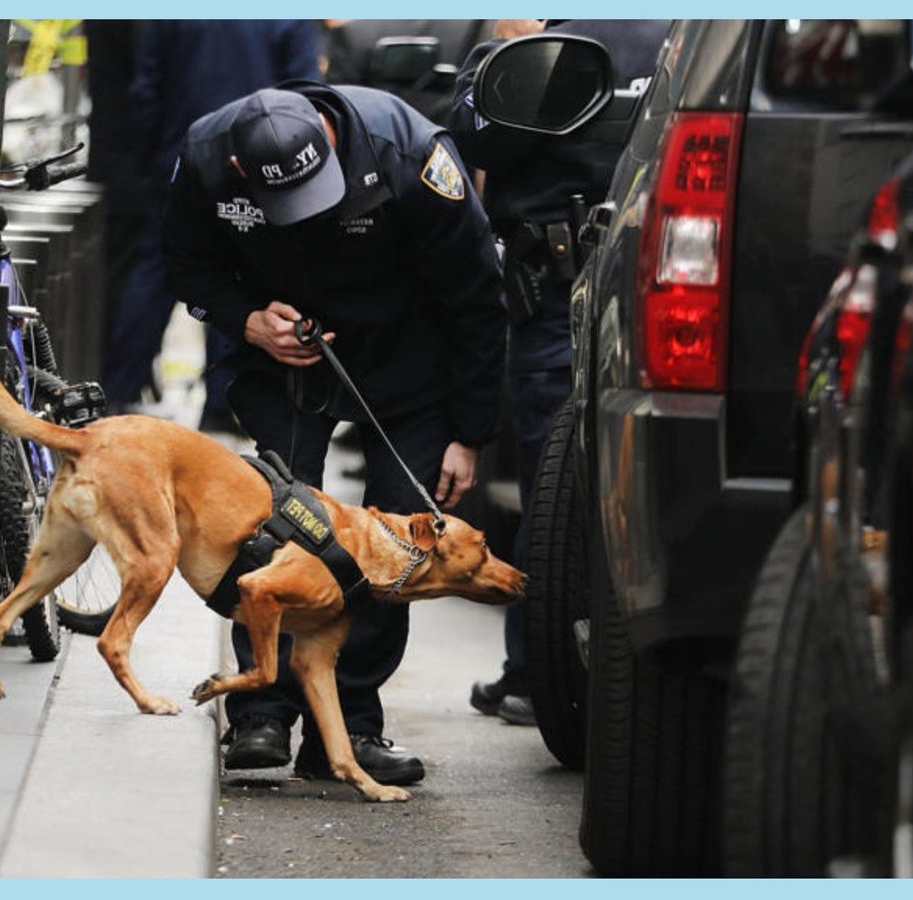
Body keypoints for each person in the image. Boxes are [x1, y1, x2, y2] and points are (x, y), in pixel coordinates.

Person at [161, 82, 505, 785]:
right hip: (281, 362)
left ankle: (349, 726)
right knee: (273, 534)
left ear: (332, 138)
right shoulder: (202, 155)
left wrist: (468, 433)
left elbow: (477, 296)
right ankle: (262, 712)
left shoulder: (408, 154)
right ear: (238, 172)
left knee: (396, 552)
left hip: (407, 362)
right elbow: (185, 265)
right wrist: (248, 319)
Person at [448, 19, 671, 725]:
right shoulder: (694, 34)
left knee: (558, 480)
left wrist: (507, 52)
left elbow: (472, 133)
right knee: (646, 478)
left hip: (558, 292)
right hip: (662, 287)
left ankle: (533, 671)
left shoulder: (541, 43)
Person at [104, 21, 320, 425]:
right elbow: (306, 91)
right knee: (241, 276)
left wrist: (154, 159)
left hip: (179, 154)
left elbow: (145, 89)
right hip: (261, 160)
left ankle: (119, 390)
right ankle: (222, 403)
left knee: (155, 274)